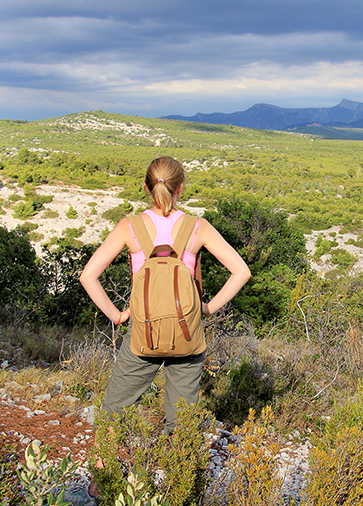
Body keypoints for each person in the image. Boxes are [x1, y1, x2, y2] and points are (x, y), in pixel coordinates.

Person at [79, 156, 251, 494]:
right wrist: (208, 308)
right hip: (188, 336)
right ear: (181, 188)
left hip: (142, 335)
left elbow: (88, 276)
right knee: (182, 419)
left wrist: (118, 315)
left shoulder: (130, 227)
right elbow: (241, 271)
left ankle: (102, 484)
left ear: (146, 187)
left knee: (114, 409)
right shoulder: (198, 227)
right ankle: (179, 487)